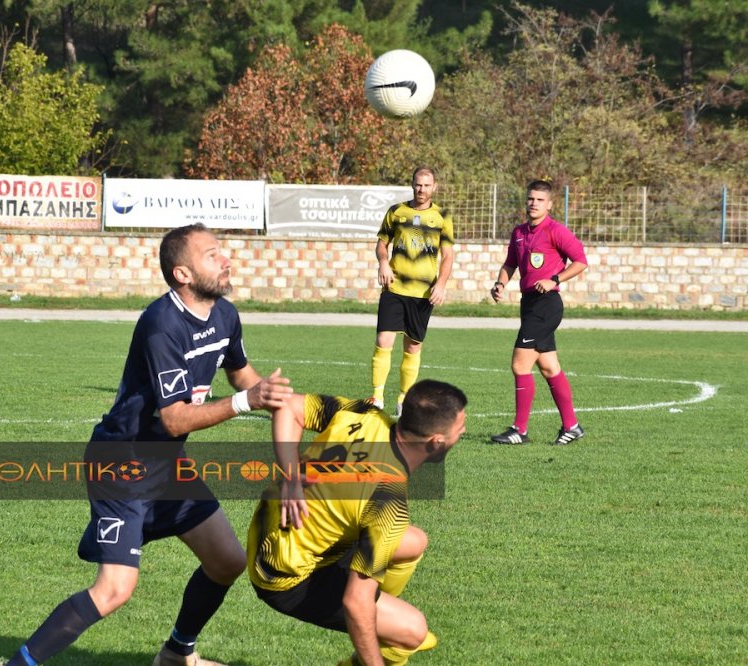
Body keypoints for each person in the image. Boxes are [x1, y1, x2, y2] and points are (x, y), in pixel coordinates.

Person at [7, 223, 293, 666]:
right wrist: (246, 402)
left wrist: (292, 405)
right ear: (182, 273)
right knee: (114, 590)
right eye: (212, 255)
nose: (226, 260)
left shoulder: (224, 314)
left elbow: (242, 374)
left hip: (167, 462)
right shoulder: (161, 324)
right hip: (122, 463)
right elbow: (175, 417)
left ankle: (176, 654)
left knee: (227, 560)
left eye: (222, 252)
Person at [247, 379, 467, 666]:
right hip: (285, 578)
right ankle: (384, 634)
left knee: (414, 541)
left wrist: (291, 478)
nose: (461, 434)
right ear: (436, 441)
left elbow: (289, 405)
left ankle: (383, 614)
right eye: (459, 430)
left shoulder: (365, 414)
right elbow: (354, 602)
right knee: (412, 631)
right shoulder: (388, 503)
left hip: (269, 531)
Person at [488, 179, 588, 446]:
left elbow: (580, 262)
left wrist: (555, 279)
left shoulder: (556, 231)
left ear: (550, 204)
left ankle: (519, 430)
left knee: (520, 364)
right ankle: (572, 426)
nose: (534, 203)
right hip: (529, 303)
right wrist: (500, 283)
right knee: (548, 366)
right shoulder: (519, 232)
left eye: (540, 200)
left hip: (547, 305)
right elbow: (510, 263)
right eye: (531, 199)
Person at [370, 167, 455, 417]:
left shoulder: (442, 216)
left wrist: (441, 284)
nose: (422, 190)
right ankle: (376, 397)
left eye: (427, 185)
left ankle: (404, 399)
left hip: (423, 293)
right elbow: (382, 243)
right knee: (383, 341)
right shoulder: (396, 212)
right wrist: (383, 263)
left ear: (434, 187)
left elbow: (448, 255)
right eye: (418, 185)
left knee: (413, 347)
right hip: (394, 287)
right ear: (412, 184)